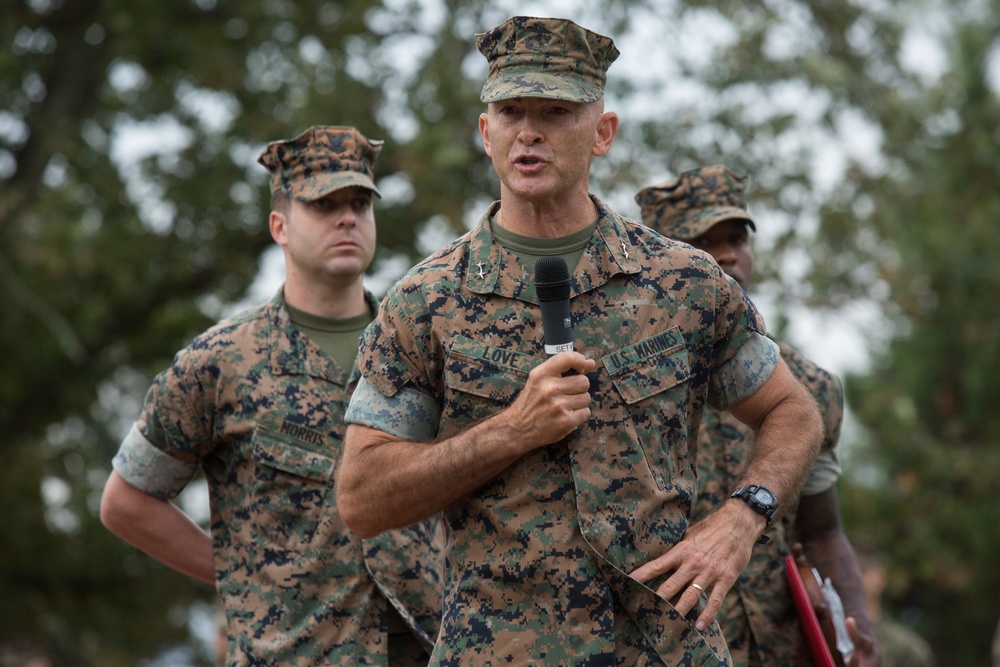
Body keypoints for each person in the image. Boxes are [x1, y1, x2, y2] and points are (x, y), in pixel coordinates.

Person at [336, 16, 823, 666]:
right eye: (511, 110)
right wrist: (510, 430)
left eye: (556, 111)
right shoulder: (426, 302)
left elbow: (793, 410)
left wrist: (743, 514)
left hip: (667, 648)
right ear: (486, 133)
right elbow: (362, 496)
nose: (529, 130)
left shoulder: (684, 281)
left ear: (603, 133)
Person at [100, 126, 442, 666]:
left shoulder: (420, 349)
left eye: (359, 202)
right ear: (279, 226)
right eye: (324, 204)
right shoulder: (221, 363)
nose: (347, 217)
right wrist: (241, 576)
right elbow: (127, 501)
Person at [636, 166, 880, 666]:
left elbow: (823, 532)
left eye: (735, 238)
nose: (726, 254)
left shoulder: (808, 387)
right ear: (661, 256)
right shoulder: (631, 383)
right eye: (700, 240)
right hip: (669, 649)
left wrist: (858, 634)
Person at [858, 550, 934, 667]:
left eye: (861, 571)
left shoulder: (906, 650)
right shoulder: (827, 640)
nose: (848, 581)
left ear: (879, 578)